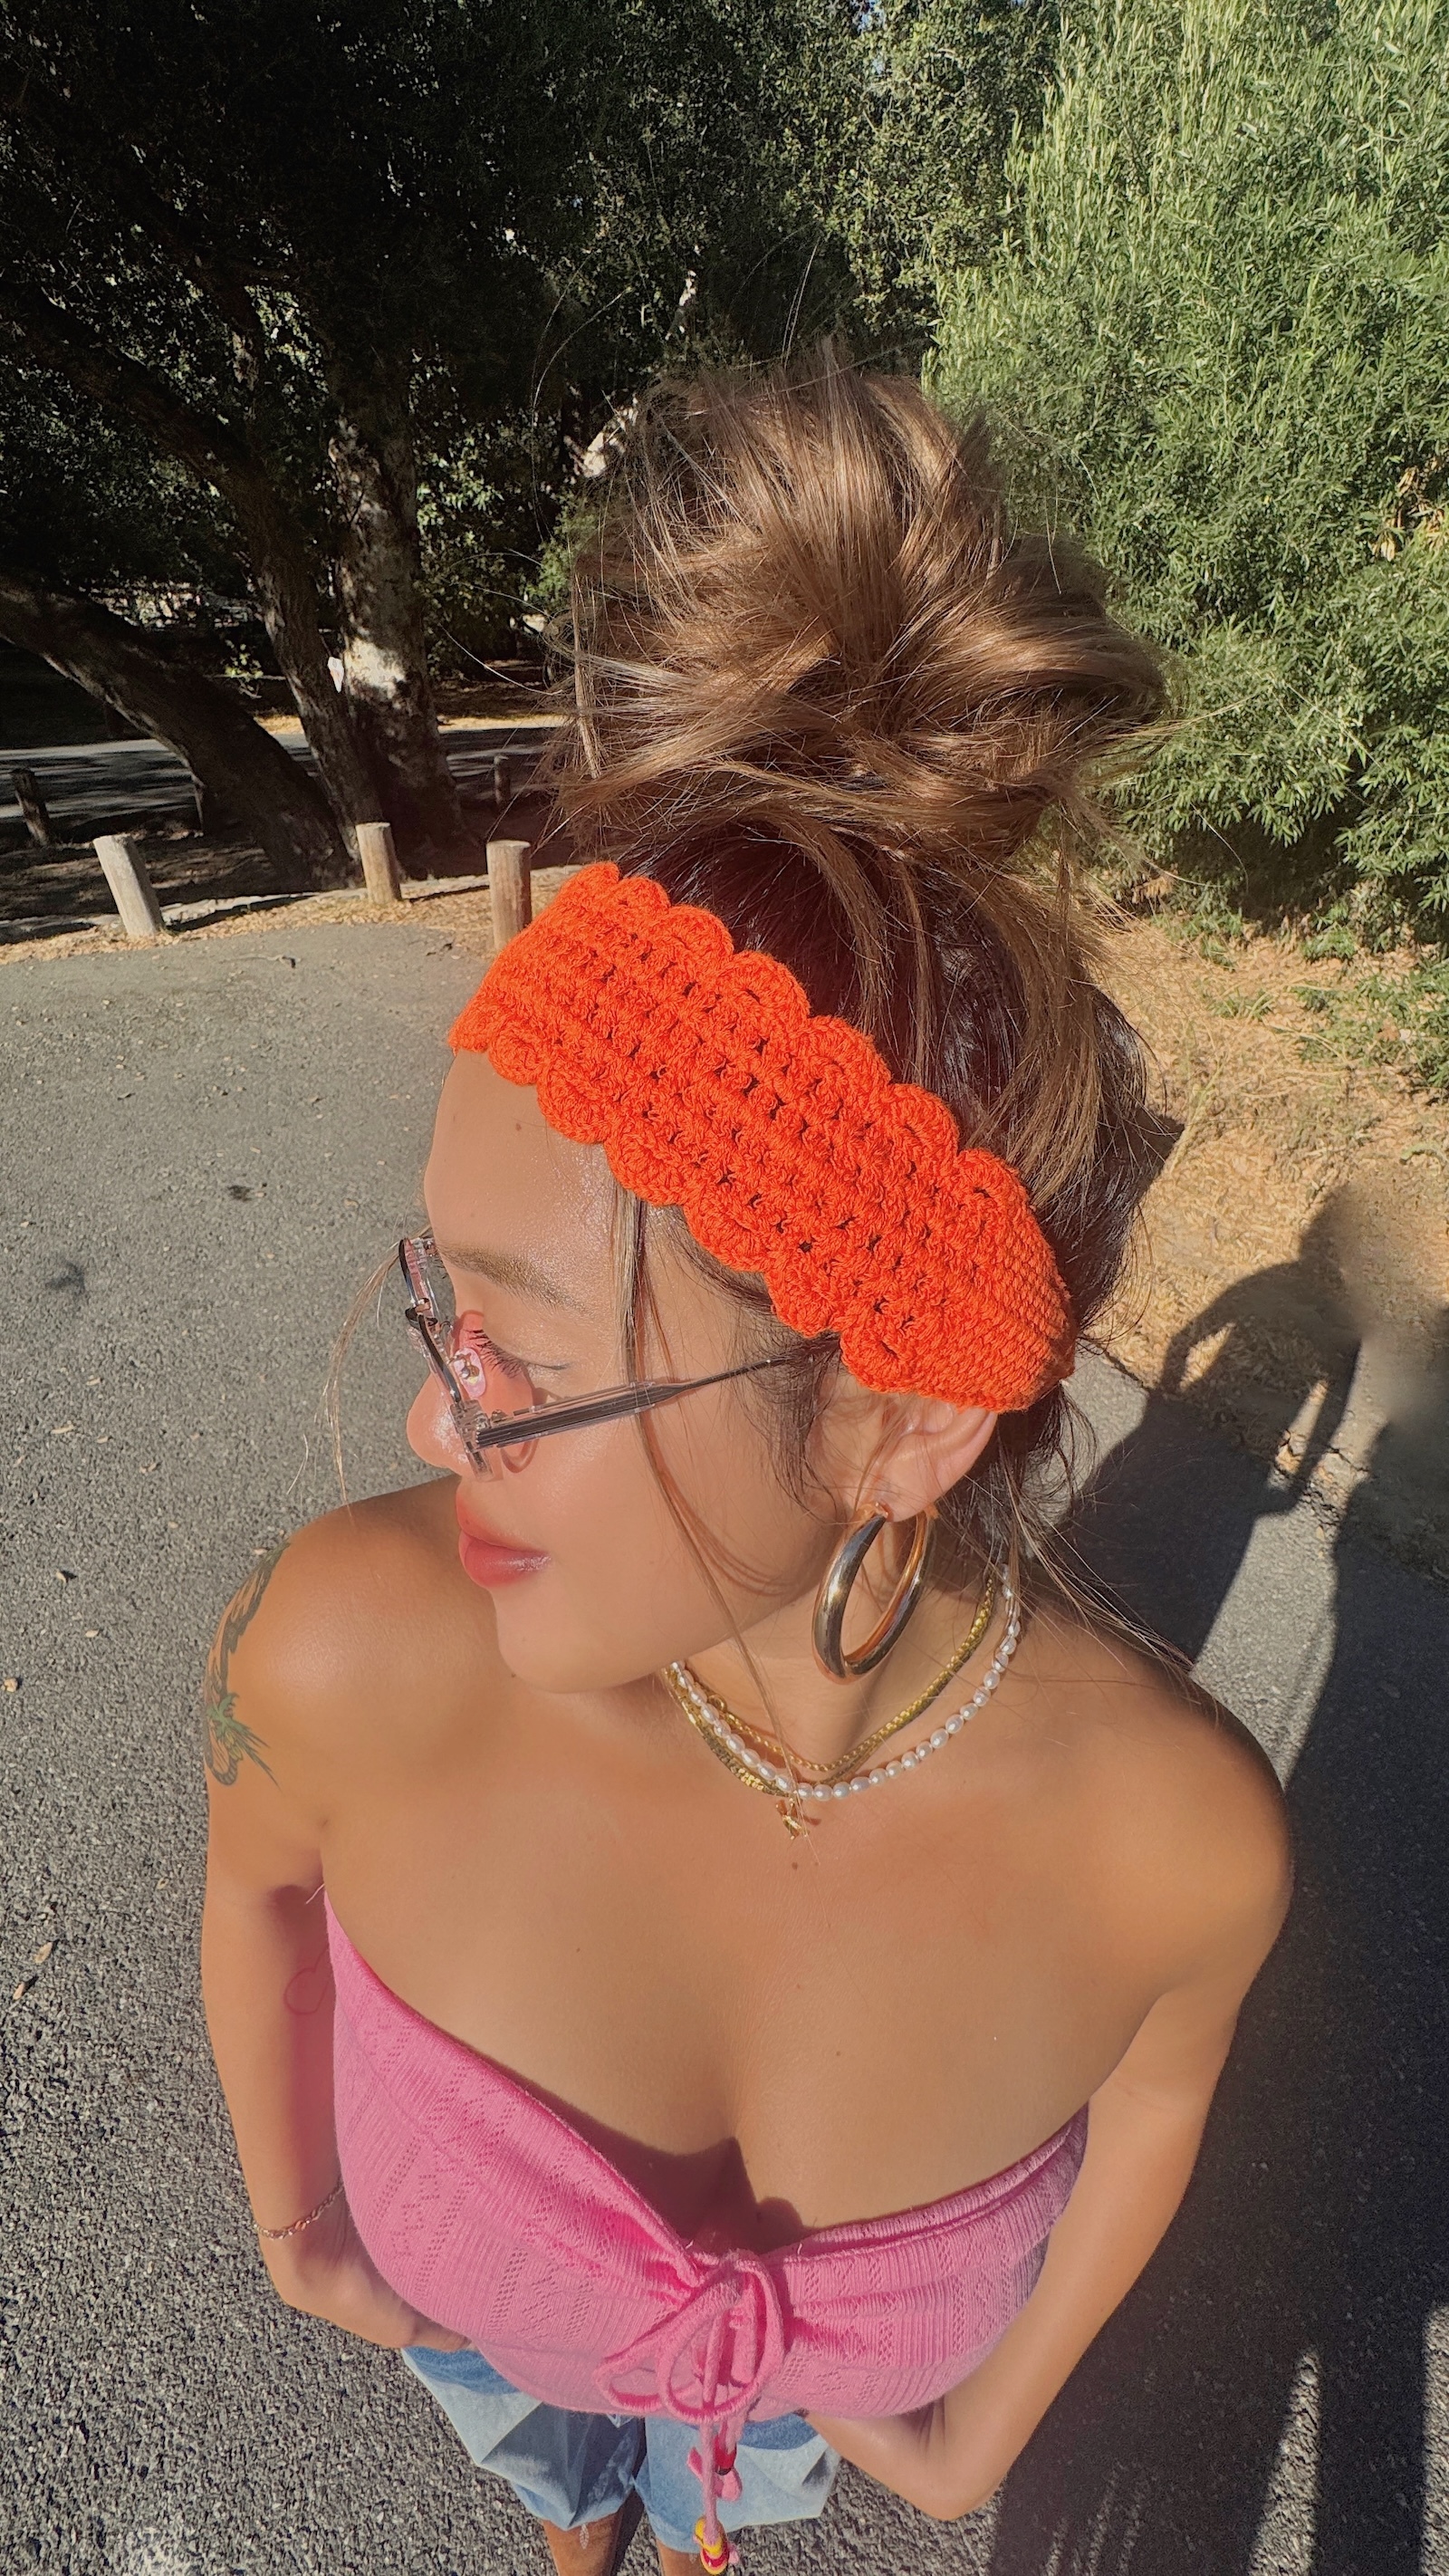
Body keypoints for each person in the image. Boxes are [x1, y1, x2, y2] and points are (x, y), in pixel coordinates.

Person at [200, 355, 1291, 2576]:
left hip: (793, 2431)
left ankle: (694, 2519)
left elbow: (1157, 2098)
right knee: (555, 2462)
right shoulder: (344, 1653)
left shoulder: (1173, 1849)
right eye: (440, 1309)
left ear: (895, 1413)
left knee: (724, 2485)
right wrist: (298, 2225)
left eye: (518, 1355)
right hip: (497, 2355)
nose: (431, 1421)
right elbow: (256, 1892)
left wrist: (976, 2436)